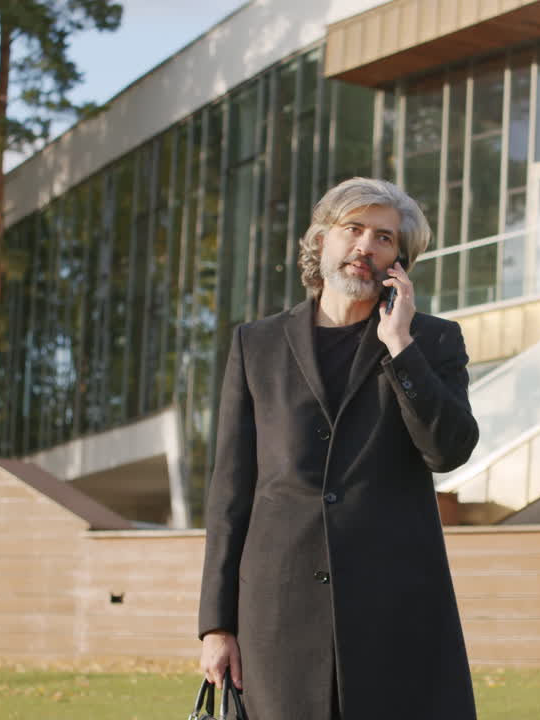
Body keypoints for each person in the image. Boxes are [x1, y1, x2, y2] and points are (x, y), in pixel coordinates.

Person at [197, 177, 480, 719]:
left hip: (395, 609)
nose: (365, 247)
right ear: (322, 240)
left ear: (400, 259)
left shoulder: (434, 341)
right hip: (276, 613)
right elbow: (230, 493)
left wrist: (401, 346)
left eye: (384, 238)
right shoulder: (255, 345)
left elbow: (447, 451)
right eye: (353, 229)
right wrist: (216, 624)